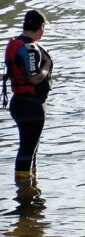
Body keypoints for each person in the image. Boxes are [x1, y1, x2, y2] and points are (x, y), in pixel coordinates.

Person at [3, 10, 52, 178]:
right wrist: (46, 65)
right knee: (27, 149)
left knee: (30, 148)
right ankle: (24, 191)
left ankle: (33, 183)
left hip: (19, 102)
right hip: (31, 105)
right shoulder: (30, 49)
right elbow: (34, 79)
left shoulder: (14, 43)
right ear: (41, 27)